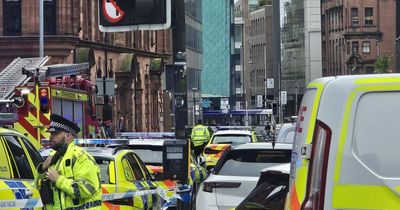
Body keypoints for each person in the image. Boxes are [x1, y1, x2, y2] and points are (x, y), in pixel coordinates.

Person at [35, 114, 102, 210]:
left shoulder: (80, 157)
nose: (51, 137)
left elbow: (87, 189)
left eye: (55, 134)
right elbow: (37, 187)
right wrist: (41, 169)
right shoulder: (55, 158)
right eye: (50, 134)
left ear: (68, 136)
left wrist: (58, 179)